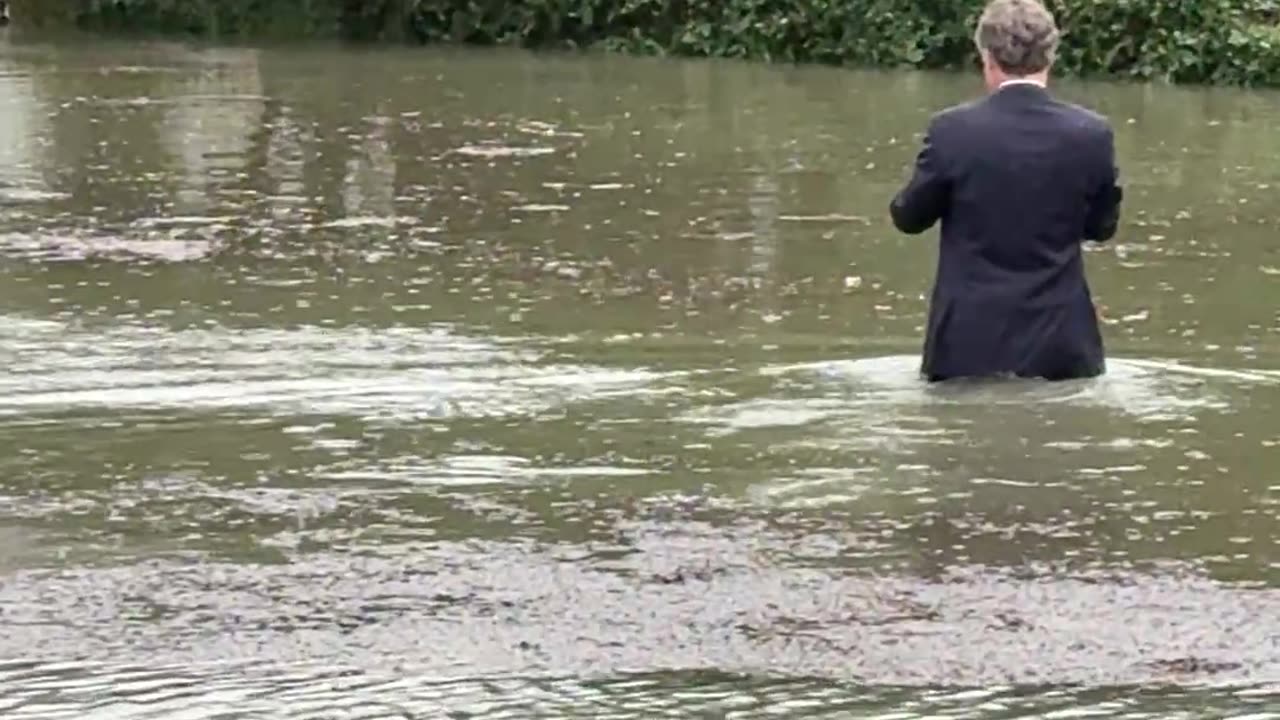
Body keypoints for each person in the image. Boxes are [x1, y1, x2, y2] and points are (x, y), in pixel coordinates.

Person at [889, 0, 1123, 383]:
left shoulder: (952, 131)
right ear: (1050, 55)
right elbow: (1101, 228)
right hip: (1062, 343)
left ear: (987, 55)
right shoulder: (1092, 134)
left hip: (967, 344)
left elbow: (908, 218)